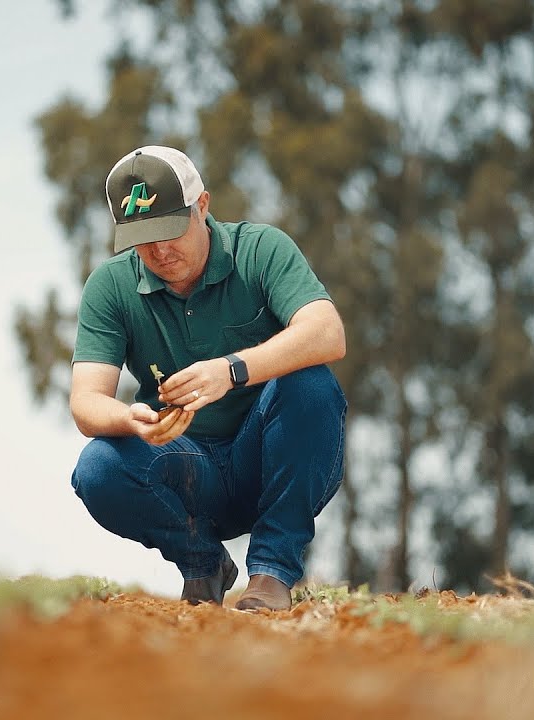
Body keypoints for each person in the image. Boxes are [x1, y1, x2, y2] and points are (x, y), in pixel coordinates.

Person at [68, 145, 347, 611]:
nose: (159, 250)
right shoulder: (110, 286)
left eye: (169, 229)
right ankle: (203, 566)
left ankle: (271, 574)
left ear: (202, 206)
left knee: (310, 383)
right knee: (98, 467)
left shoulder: (261, 249)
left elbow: (327, 332)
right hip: (188, 466)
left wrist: (232, 370)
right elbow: (85, 403)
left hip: (270, 460)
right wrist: (130, 418)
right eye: (143, 236)